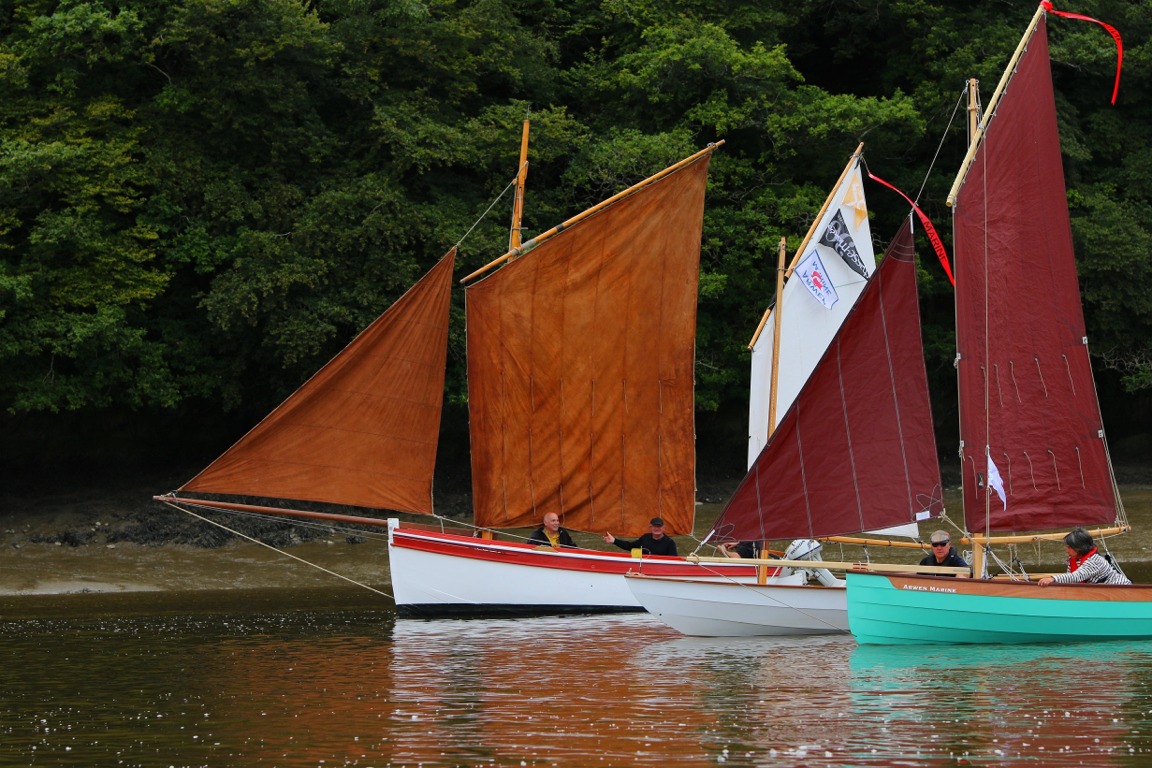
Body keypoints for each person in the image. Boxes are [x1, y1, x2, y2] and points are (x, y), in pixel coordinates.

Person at [1037, 527, 1131, 586]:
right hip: (1100, 593)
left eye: (1069, 547)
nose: (1066, 551)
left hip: (1120, 589)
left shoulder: (1095, 561)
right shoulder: (1074, 560)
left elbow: (1077, 576)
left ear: (1079, 548)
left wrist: (1052, 579)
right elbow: (1069, 580)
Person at [603, 517, 678, 556]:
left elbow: (673, 561)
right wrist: (614, 541)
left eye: (659, 526)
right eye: (654, 526)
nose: (656, 528)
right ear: (650, 527)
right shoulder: (645, 538)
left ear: (663, 528)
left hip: (660, 570)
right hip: (643, 568)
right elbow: (630, 546)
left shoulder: (669, 543)